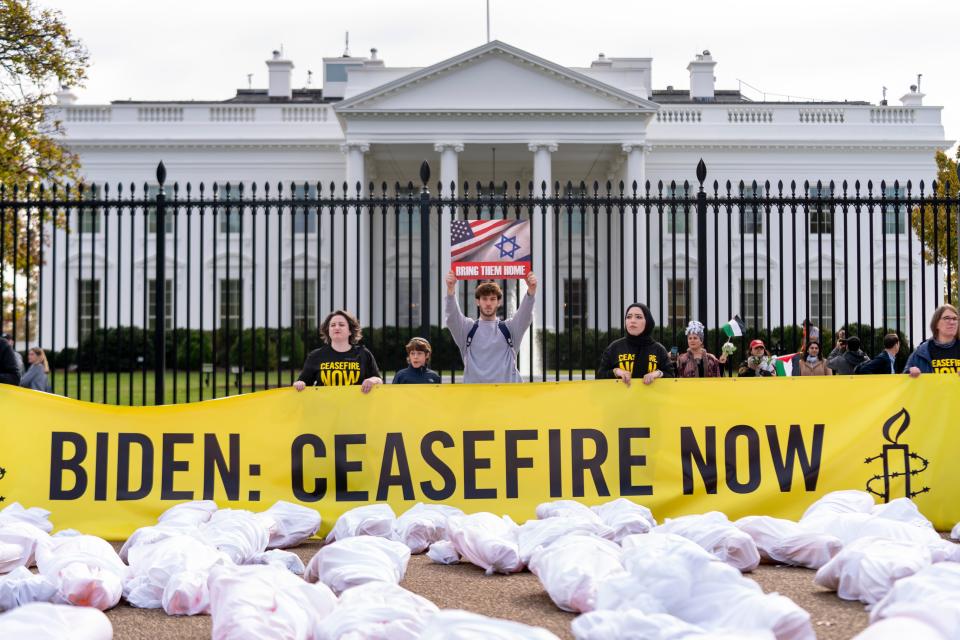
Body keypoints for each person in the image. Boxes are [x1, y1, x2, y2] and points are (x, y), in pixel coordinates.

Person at [444, 270, 537, 383]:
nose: (488, 303)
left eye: (493, 299)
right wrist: (450, 290)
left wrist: (531, 291)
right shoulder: (467, 329)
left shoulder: (510, 328)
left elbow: (525, 316)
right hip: (477, 397)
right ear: (478, 302)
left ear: (499, 302)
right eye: (484, 299)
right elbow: (452, 318)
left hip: (507, 396)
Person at [292, 310, 383, 393]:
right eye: (333, 325)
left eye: (341, 324)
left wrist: (372, 380)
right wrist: (299, 384)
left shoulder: (363, 354)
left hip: (356, 409)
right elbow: (303, 382)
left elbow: (379, 380)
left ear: (350, 331)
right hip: (325, 409)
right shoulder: (315, 356)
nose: (337, 328)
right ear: (328, 331)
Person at [597, 303, 674, 386]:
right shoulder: (614, 347)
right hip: (621, 398)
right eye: (628, 317)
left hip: (650, 398)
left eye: (638, 317)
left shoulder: (659, 349)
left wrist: (658, 374)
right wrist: (616, 372)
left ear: (648, 321)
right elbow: (600, 376)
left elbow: (672, 377)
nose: (632, 320)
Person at [905, 304, 960, 377]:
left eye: (955, 319)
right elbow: (904, 382)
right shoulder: (921, 351)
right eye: (947, 318)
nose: (952, 322)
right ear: (936, 323)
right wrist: (910, 372)